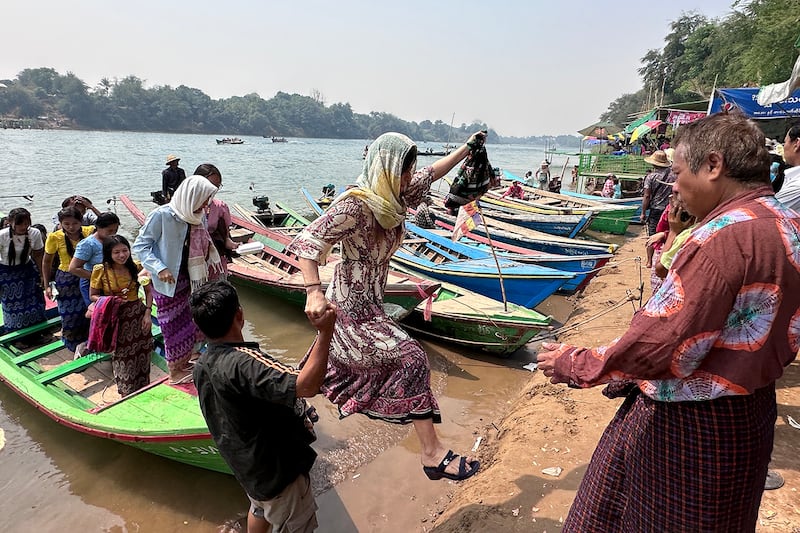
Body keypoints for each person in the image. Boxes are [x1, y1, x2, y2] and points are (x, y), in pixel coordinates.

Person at [537, 111, 800, 532]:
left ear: (713, 166)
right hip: (749, 413)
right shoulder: (787, 223)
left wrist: (575, 362)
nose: (672, 186)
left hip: (689, 427)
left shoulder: (721, 237)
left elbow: (662, 345)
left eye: (677, 173)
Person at [287, 132, 481, 482]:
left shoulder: (395, 196)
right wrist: (313, 292)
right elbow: (307, 242)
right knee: (412, 357)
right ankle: (431, 453)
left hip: (373, 305)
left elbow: (434, 173)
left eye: (410, 171)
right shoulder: (355, 205)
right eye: (405, 170)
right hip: (348, 309)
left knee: (388, 362)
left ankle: (297, 402)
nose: (410, 177)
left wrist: (467, 148)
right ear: (387, 166)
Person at [191, 281, 335, 533]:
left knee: (259, 507)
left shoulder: (203, 364)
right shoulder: (245, 363)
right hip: (278, 473)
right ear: (239, 315)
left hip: (247, 467)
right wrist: (325, 333)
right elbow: (305, 385)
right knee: (297, 524)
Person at [133, 175, 224, 384]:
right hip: (168, 280)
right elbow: (141, 246)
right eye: (202, 199)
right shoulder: (162, 215)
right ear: (190, 196)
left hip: (193, 278)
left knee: (193, 322)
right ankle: (175, 371)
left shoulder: (197, 215)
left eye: (206, 200)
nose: (205, 205)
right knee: (172, 326)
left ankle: (187, 361)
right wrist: (159, 267)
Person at [87, 235, 153, 396]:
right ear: (108, 253)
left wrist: (148, 313)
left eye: (125, 250)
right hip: (117, 317)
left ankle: (144, 386)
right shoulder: (100, 270)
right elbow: (93, 295)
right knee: (122, 355)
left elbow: (149, 290)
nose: (122, 255)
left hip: (137, 314)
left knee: (143, 351)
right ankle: (127, 391)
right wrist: (111, 300)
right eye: (116, 252)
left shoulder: (136, 267)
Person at [41, 206, 94, 356]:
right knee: (69, 312)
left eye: (75, 224)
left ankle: (91, 341)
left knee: (89, 309)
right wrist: (46, 285)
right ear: (61, 223)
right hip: (66, 279)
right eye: (67, 224)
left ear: (80, 222)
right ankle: (73, 344)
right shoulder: (54, 237)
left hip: (87, 275)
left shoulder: (89, 232)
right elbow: (46, 262)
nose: (71, 227)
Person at [0, 208, 47, 332]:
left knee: (35, 300)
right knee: (12, 305)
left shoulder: (34, 233)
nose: (23, 226)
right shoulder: (2, 236)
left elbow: (38, 255)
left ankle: (39, 331)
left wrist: (43, 275)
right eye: (19, 224)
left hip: (27, 269)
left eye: (26, 223)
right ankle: (16, 334)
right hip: (6, 272)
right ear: (10, 222)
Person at [69, 212, 121, 306]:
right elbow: (73, 268)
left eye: (115, 230)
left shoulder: (113, 241)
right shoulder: (88, 244)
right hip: (92, 283)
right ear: (98, 227)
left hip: (111, 280)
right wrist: (97, 278)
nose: (113, 233)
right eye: (109, 231)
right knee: (99, 312)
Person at [194, 163, 238, 274]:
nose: (213, 190)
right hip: (192, 261)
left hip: (213, 259)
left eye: (217, 187)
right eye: (210, 185)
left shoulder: (220, 207)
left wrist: (231, 244)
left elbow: (226, 236)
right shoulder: (182, 210)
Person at [639, 149, 674, 236]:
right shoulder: (674, 175)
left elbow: (647, 196)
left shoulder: (651, 177)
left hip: (656, 209)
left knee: (652, 235)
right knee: (666, 234)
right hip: (669, 209)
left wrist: (643, 213)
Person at [775, 124, 800, 211]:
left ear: (797, 144)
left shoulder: (797, 186)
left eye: (785, 142)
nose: (784, 147)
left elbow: (769, 210)